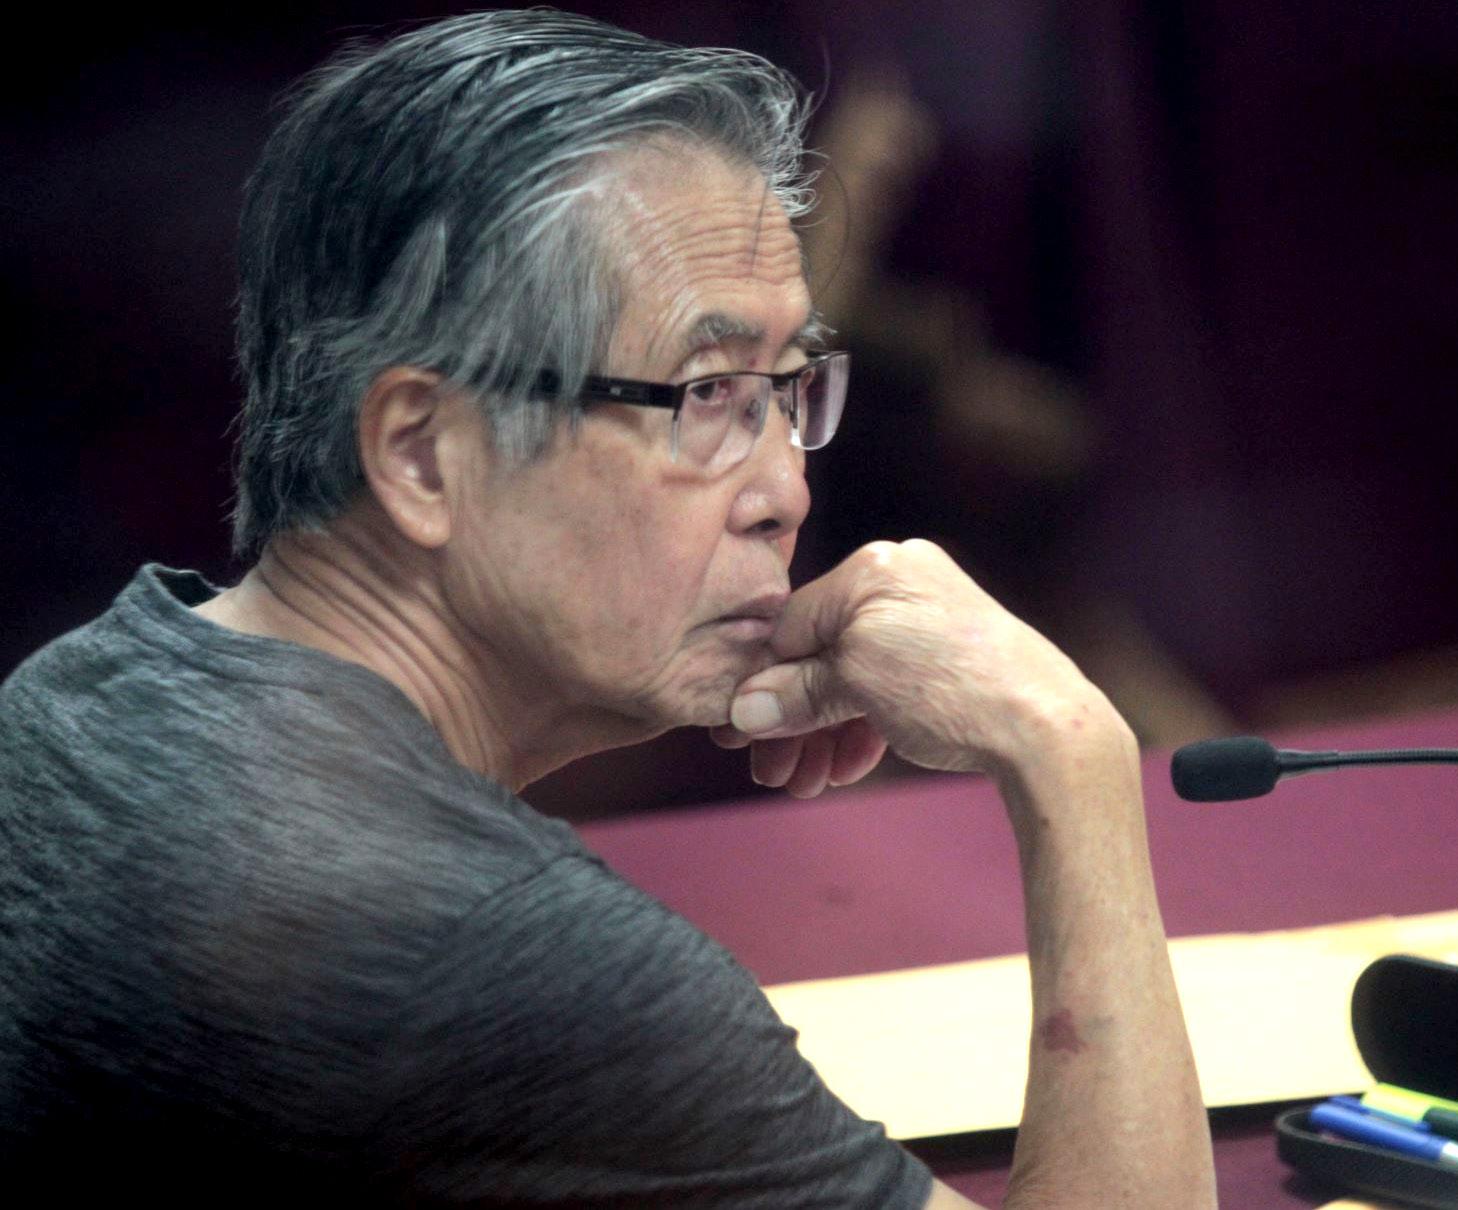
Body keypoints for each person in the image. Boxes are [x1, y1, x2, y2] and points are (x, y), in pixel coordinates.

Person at [0, 11, 1213, 1206]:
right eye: (708, 395)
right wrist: (1068, 746)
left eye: (788, 391)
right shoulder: (494, 951)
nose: (786, 492)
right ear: (422, 453)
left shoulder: (68, 696)